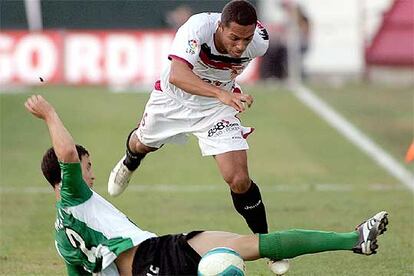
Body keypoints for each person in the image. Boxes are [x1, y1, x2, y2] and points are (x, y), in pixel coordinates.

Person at [25, 94, 389, 275]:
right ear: (65, 177)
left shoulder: (61, 238)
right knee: (229, 262)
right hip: (151, 263)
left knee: (250, 245)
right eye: (88, 168)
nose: (90, 175)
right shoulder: (73, 197)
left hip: (158, 249)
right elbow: (68, 153)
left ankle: (354, 239)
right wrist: (50, 114)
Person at [108, 0, 271, 236]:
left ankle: (265, 241)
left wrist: (223, 95)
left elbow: (231, 67)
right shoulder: (197, 28)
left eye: (246, 39)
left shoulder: (260, 42)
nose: (240, 46)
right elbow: (177, 75)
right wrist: (221, 93)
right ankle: (130, 161)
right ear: (220, 27)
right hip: (174, 99)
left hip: (216, 108)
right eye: (234, 38)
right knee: (142, 144)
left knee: (238, 179)